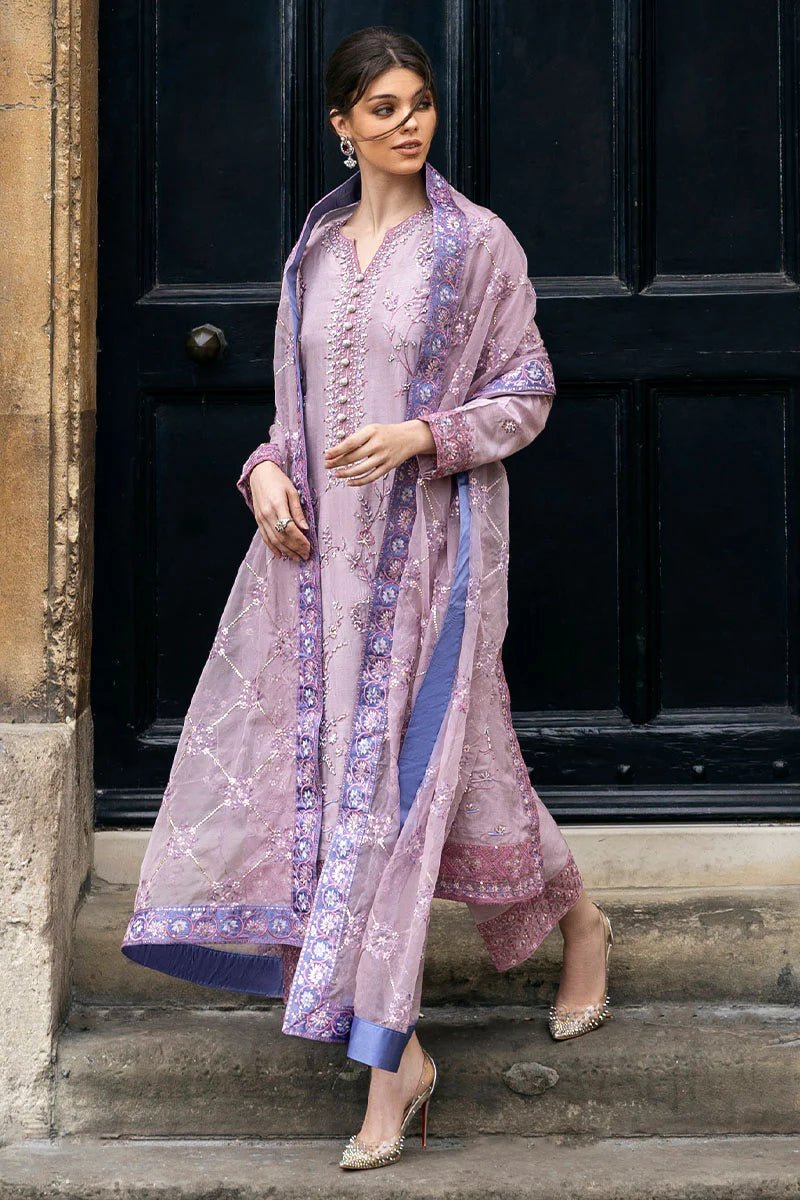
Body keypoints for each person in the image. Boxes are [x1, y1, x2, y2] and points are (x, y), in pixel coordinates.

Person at [121, 25, 615, 1172]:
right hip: (313, 579)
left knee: (397, 801)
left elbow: (527, 389)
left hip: (430, 563)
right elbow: (289, 421)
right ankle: (577, 924)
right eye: (383, 108)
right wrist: (263, 476)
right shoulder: (311, 256)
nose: (408, 124)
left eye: (419, 104)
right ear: (339, 125)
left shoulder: (474, 245)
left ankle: (388, 1069)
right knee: (449, 781)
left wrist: (422, 435)